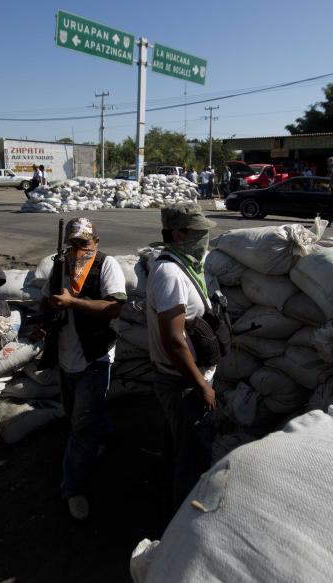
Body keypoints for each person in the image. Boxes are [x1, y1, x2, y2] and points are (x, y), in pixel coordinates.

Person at [38, 218, 126, 520]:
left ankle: (72, 487)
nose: (78, 250)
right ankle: (105, 437)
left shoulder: (107, 265)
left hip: (94, 358)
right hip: (66, 357)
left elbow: (114, 307)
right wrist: (48, 311)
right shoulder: (58, 267)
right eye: (73, 244)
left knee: (80, 427)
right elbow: (46, 304)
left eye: (84, 244)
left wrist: (72, 303)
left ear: (96, 241)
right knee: (78, 414)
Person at [146, 203, 219, 508]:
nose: (204, 239)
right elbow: (174, 340)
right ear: (178, 234)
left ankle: (169, 501)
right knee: (193, 459)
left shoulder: (183, 267)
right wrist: (201, 385)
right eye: (198, 233)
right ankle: (182, 527)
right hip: (183, 384)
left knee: (180, 449)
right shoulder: (171, 274)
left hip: (183, 380)